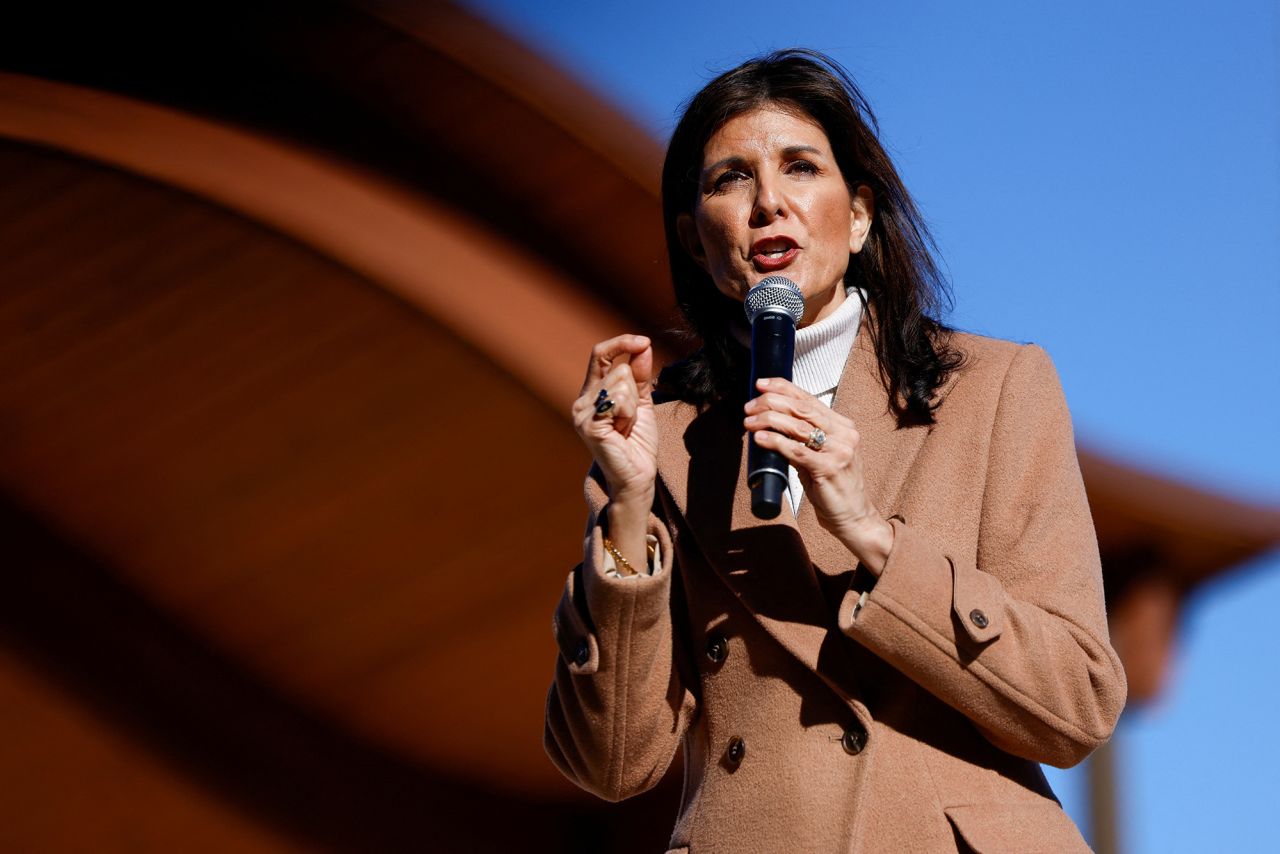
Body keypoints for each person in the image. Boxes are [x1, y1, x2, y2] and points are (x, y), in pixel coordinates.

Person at [544, 49, 1126, 853]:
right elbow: (611, 762)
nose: (768, 203)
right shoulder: (664, 435)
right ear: (696, 241)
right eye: (730, 180)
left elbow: (1078, 706)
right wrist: (632, 503)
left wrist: (878, 541)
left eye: (800, 167)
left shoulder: (994, 388)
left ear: (857, 216)